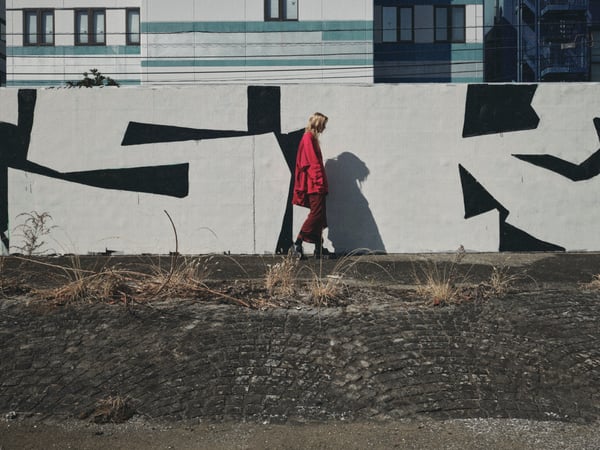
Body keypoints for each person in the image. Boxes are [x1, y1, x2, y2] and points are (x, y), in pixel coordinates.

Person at [292, 112, 333, 259]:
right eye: (323, 124)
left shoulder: (311, 138)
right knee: (316, 215)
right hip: (314, 185)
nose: (324, 127)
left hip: (316, 184)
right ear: (317, 123)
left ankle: (318, 249)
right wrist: (320, 182)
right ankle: (297, 243)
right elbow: (312, 163)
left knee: (320, 216)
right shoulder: (308, 138)